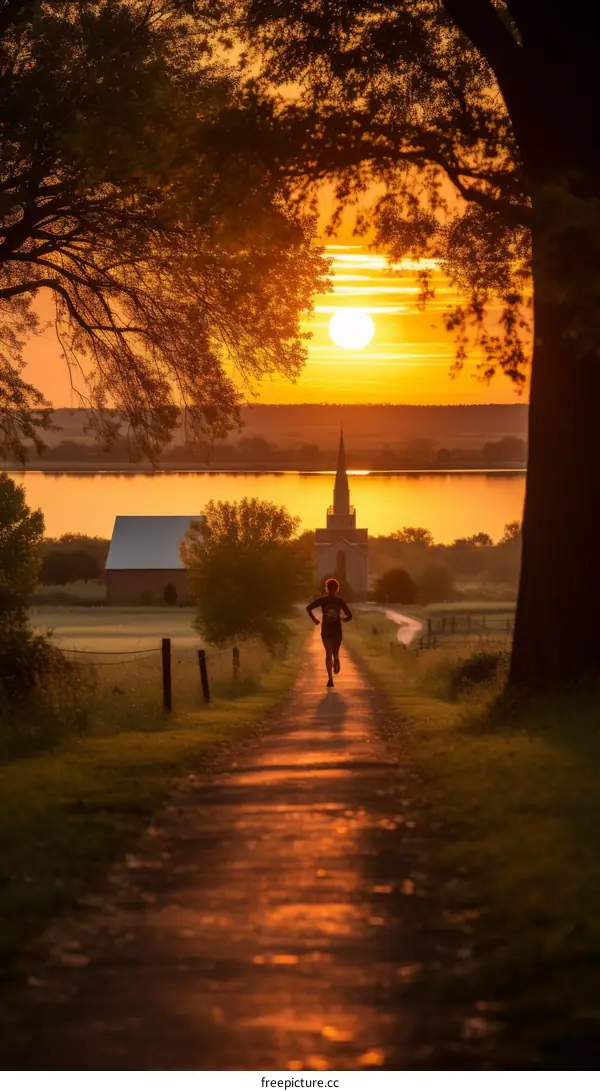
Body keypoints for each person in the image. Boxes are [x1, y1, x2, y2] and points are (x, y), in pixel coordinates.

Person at [306, 578, 353, 687]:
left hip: (333, 630)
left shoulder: (336, 601)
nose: (332, 590)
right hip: (330, 630)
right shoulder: (329, 600)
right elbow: (349, 616)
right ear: (333, 589)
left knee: (332, 653)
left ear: (335, 589)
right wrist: (343, 619)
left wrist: (314, 619)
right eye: (331, 589)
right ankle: (330, 678)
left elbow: (309, 608)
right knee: (329, 653)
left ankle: (335, 663)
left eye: (333, 588)